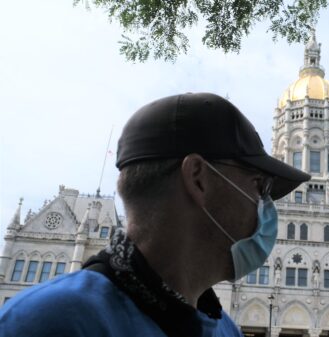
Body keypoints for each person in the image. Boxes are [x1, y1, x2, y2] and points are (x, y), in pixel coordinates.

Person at [0, 93, 311, 336]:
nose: (266, 204)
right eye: (259, 185)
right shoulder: (46, 323)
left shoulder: (223, 328)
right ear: (199, 179)